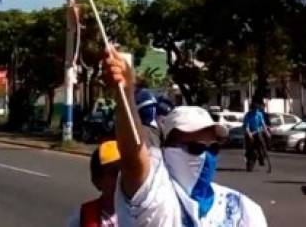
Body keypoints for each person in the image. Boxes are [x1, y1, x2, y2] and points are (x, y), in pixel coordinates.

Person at [103, 46, 267, 227]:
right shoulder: (158, 198)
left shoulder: (242, 209)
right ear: (167, 149)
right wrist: (125, 93)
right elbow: (133, 160)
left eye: (213, 148)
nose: (206, 157)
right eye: (195, 148)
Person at [68, 140, 121, 227]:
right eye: (114, 172)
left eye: (125, 171)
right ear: (97, 181)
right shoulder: (82, 216)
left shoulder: (142, 214)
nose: (121, 177)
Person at [242, 103, 269, 172]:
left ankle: (262, 158)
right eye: (254, 110)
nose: (255, 111)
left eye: (257, 110)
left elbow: (263, 124)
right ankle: (249, 163)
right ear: (251, 109)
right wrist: (249, 134)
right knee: (250, 149)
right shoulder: (248, 115)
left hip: (257, 132)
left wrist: (267, 132)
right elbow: (247, 126)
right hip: (249, 132)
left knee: (262, 144)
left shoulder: (259, 114)